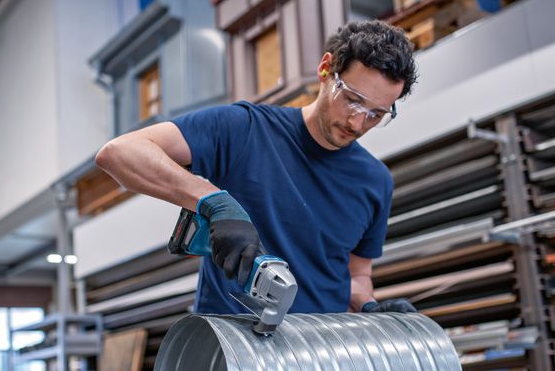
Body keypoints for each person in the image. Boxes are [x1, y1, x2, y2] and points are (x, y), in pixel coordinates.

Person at [95, 20, 419, 316]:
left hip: (319, 357)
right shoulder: (246, 130)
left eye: (376, 114)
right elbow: (121, 152)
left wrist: (370, 306)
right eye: (351, 99)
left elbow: (356, 275)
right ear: (326, 68)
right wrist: (214, 203)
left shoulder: (374, 182)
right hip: (234, 353)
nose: (358, 122)